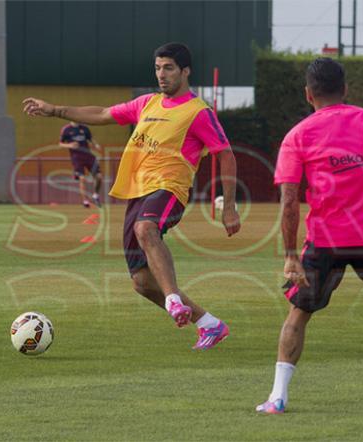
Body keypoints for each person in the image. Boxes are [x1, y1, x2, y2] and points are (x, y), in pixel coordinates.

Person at [23, 42, 241, 350]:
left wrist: (229, 207)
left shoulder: (198, 112)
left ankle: (175, 301)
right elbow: (101, 113)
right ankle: (209, 324)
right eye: (157, 68)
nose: (161, 75)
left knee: (145, 228)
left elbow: (226, 154)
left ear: (185, 71)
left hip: (170, 188)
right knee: (141, 282)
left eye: (168, 68)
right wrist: (55, 110)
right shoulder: (146, 103)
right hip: (137, 193)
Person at [256, 58, 363, 414]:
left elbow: (289, 199)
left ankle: (277, 397)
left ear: (308, 94)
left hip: (325, 239)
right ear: (345, 89)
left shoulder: (298, 134)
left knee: (299, 312)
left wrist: (290, 254)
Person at [59, 121, 103, 208]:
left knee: (99, 176)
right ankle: (85, 201)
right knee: (82, 178)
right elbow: (60, 144)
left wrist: (96, 145)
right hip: (77, 158)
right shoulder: (66, 129)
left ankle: (95, 195)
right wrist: (70, 145)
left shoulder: (84, 128)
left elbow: (90, 139)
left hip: (88, 155)